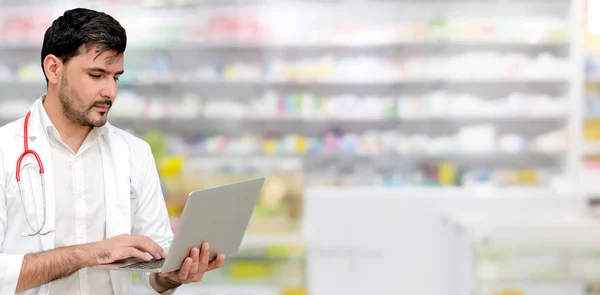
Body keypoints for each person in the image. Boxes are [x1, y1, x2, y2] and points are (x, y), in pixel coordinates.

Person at [0, 7, 225, 295]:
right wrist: (90, 253)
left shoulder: (134, 153)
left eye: (115, 77)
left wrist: (174, 275)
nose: (111, 92)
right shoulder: (6, 150)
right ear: (53, 68)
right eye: (97, 75)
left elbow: (155, 270)